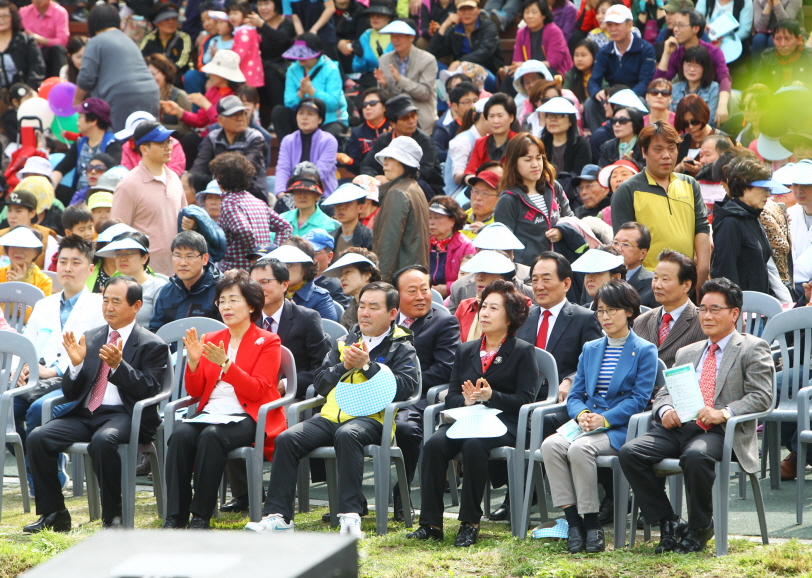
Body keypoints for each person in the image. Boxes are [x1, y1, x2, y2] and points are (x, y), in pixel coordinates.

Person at [245, 282, 419, 537]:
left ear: (393, 313)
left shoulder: (401, 346)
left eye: (374, 307)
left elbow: (407, 388)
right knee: (287, 438)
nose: (365, 313)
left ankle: (350, 517)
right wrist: (343, 367)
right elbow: (320, 383)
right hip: (330, 416)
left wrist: (369, 367)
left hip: (372, 419)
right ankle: (279, 517)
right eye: (362, 306)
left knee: (348, 434)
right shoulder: (344, 342)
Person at [619, 278, 774, 554]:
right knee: (631, 452)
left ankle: (700, 526)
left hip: (720, 431)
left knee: (695, 456)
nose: (707, 316)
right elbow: (666, 392)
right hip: (678, 428)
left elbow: (762, 396)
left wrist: (723, 412)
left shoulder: (752, 347)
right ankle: (668, 521)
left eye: (715, 309)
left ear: (734, 313)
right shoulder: (688, 352)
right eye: (702, 309)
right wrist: (665, 410)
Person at [23, 276, 170, 532]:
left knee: (104, 441)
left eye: (116, 301)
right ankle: (54, 513)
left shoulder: (151, 344)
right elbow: (70, 393)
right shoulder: (91, 337)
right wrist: (76, 365)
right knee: (38, 437)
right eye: (105, 301)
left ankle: (113, 518)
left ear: (136, 306)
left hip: (125, 414)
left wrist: (118, 367)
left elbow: (149, 389)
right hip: (87, 412)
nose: (109, 307)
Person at [407, 279, 537, 547]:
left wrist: (492, 397)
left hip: (504, 424)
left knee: (475, 445)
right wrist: (465, 401)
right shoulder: (466, 349)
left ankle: (469, 523)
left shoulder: (523, 351)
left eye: (494, 308)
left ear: (510, 317)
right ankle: (430, 524)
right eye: (484, 307)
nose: (485, 313)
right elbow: (452, 395)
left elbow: (526, 398)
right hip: (468, 419)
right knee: (433, 445)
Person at [162, 271, 284, 529]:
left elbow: (258, 390)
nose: (226, 307)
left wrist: (227, 365)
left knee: (211, 437)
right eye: (221, 301)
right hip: (212, 412)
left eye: (233, 300)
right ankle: (175, 515)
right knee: (181, 436)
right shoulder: (213, 339)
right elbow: (195, 391)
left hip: (249, 414)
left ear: (251, 305)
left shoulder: (268, 341)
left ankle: (201, 516)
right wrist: (193, 363)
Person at [542, 279, 657, 553]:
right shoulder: (591, 349)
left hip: (619, 427)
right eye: (600, 311)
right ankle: (573, 524)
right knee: (550, 445)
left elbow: (639, 400)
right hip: (586, 423)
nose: (605, 317)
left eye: (612, 310)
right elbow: (576, 394)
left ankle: (592, 524)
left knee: (580, 449)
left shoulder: (644, 350)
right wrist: (581, 413)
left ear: (629, 310)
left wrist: (604, 420)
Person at [220, 257, 331, 515]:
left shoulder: (306, 318)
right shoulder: (243, 319)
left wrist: (285, 383)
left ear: (284, 284)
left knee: (271, 418)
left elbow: (321, 368)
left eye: (265, 282)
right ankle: (245, 495)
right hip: (252, 392)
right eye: (253, 283)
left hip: (296, 397)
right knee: (228, 416)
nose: (258, 289)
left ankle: (280, 498)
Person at [13, 236, 104, 496]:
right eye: (63, 261)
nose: (68, 267)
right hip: (36, 380)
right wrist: (22, 369)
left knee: (38, 410)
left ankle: (45, 480)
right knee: (5, 409)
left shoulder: (99, 306)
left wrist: (54, 371)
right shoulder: (44, 305)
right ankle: (36, 468)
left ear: (89, 269)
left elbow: (92, 351)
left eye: (76, 262)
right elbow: (26, 345)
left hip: (76, 383)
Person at [390, 264, 459, 519]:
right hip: (378, 395)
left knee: (406, 428)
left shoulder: (444, 322)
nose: (421, 296)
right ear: (395, 296)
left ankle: (403, 492)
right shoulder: (385, 320)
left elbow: (445, 370)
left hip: (418, 397)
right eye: (412, 291)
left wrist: (398, 385)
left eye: (425, 289)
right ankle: (353, 497)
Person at [610, 121, 711, 289]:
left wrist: (702, 270)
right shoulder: (627, 190)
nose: (666, 155)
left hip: (687, 280)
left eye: (672, 149)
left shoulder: (690, 183)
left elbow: (701, 227)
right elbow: (623, 245)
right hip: (648, 283)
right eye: (658, 149)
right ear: (644, 152)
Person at [517, 251, 603, 405]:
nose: (539, 286)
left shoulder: (584, 318)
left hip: (559, 399)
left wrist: (571, 380)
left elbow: (595, 362)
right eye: (535, 280)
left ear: (566, 284)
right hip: (521, 396)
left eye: (546, 279)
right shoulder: (523, 316)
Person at [110, 122, 186, 277]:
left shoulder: (175, 179)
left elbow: (184, 223)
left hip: (175, 273)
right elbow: (116, 235)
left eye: (169, 141)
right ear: (144, 149)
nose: (168, 147)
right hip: (142, 277)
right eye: (161, 143)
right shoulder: (128, 185)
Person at [75, 3, 160, 131]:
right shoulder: (128, 39)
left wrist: (76, 101)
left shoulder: (95, 42)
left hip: (121, 95)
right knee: (147, 140)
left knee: (118, 142)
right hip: (150, 93)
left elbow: (86, 78)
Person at [494, 132, 573, 267]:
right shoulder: (508, 200)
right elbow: (503, 246)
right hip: (527, 271)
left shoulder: (554, 187)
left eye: (539, 158)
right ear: (514, 163)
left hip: (560, 266)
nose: (535, 164)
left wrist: (561, 230)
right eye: (528, 159)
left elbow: (571, 219)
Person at [710, 157, 780, 294]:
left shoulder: (752, 216)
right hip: (741, 309)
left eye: (769, 189)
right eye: (763, 188)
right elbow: (725, 273)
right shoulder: (730, 223)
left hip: (758, 306)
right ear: (744, 188)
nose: (768, 194)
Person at [212, 152, 292, 271]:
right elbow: (285, 227)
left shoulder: (229, 203)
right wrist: (270, 256)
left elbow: (244, 230)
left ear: (219, 179)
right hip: (261, 271)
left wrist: (254, 255)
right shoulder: (257, 201)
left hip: (237, 272)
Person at [585, 5, 655, 131]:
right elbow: (594, 80)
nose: (613, 29)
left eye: (617, 24)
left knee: (642, 103)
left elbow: (645, 82)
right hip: (611, 95)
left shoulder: (646, 49)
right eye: (609, 25)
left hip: (635, 95)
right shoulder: (604, 51)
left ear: (630, 25)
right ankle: (598, 137)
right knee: (591, 103)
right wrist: (597, 92)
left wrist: (625, 97)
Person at [370, 135, 431, 281]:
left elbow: (388, 244)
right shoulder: (415, 189)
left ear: (405, 163)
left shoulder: (397, 193)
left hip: (399, 280)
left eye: (392, 158)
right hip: (414, 277)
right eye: (385, 158)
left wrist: (380, 283)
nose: (385, 163)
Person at [654, 9, 730, 125]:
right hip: (684, 96)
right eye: (674, 25)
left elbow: (724, 78)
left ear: (696, 28)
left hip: (709, 98)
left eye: (680, 25)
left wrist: (722, 105)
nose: (675, 30)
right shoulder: (677, 52)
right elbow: (659, 84)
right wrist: (666, 53)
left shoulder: (713, 52)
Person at [360, 94, 444, 198]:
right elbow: (367, 165)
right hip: (390, 185)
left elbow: (424, 172)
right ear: (392, 122)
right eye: (405, 118)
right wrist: (374, 179)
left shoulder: (425, 141)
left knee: (416, 185)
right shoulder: (384, 139)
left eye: (413, 116)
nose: (411, 121)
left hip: (426, 190)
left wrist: (391, 179)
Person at [633, 249, 705, 369]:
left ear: (686, 285)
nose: (657, 285)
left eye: (665, 279)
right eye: (655, 278)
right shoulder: (641, 322)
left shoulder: (702, 323)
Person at [190, 95, 269, 202]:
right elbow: (198, 169)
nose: (240, 118)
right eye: (234, 115)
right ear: (220, 121)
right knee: (190, 179)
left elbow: (245, 174)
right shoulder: (213, 137)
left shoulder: (255, 137)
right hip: (217, 190)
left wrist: (215, 178)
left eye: (242, 113)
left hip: (251, 193)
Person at [274, 34, 348, 142]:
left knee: (325, 138)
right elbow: (289, 102)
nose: (300, 57)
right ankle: (288, 149)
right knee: (279, 112)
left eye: (304, 53)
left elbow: (333, 104)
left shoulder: (331, 68)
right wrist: (301, 93)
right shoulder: (292, 69)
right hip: (303, 118)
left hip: (329, 119)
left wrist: (312, 92)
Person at [449, 222, 535, 313]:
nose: (500, 256)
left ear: (512, 252)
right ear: (478, 251)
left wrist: (510, 278)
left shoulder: (530, 275)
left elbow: (537, 306)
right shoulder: (460, 287)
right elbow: (453, 324)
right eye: (492, 252)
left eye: (505, 250)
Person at [149, 231, 222, 332]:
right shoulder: (167, 291)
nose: (183, 263)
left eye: (190, 256)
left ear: (205, 259)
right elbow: (156, 330)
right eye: (178, 256)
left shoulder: (221, 289)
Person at [376, 19, 438, 134]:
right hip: (394, 119)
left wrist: (400, 79)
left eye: (399, 36)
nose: (395, 40)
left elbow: (425, 93)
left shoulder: (428, 60)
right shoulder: (384, 60)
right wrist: (384, 86)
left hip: (421, 118)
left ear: (411, 38)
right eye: (392, 36)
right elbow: (385, 98)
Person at [95, 233, 168, 327]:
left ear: (144, 258)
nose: (123, 258)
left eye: (129, 253)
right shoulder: (112, 286)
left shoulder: (159, 287)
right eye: (119, 254)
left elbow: (161, 324)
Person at [274, 97, 338, 200]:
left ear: (320, 119)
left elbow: (320, 173)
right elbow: (283, 169)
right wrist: (281, 193)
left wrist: (302, 192)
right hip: (292, 196)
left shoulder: (329, 141)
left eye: (310, 114)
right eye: (301, 113)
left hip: (323, 197)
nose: (304, 117)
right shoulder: (288, 140)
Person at [454, 250, 525, 341]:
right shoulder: (465, 306)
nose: (480, 278)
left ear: (503, 277)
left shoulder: (519, 305)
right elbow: (452, 340)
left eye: (487, 272)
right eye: (477, 272)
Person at [427, 0, 504, 78]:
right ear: (456, 12)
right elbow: (431, 55)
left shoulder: (488, 26)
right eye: (462, 9)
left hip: (487, 73)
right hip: (460, 74)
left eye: (470, 8)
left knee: (470, 69)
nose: (466, 13)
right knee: (430, 64)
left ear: (478, 10)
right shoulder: (454, 30)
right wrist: (444, 26)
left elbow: (485, 52)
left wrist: (459, 62)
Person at [269, 241, 339, 321]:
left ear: (306, 266)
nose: (282, 268)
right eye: (279, 263)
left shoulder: (320, 299)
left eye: (288, 263)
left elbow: (327, 331)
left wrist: (296, 316)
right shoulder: (270, 294)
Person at [428, 196, 476, 299]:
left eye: (437, 217)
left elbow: (470, 280)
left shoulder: (465, 246)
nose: (431, 222)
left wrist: (448, 288)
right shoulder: (424, 243)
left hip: (454, 299)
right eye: (429, 217)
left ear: (452, 220)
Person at [464, 94, 517, 182]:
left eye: (500, 116)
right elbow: (469, 172)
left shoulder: (520, 143)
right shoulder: (480, 143)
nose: (495, 121)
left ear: (511, 117)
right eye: (491, 116)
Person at [510, 0, 572, 77]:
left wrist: (528, 66)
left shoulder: (554, 31)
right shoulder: (521, 33)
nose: (530, 16)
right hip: (528, 71)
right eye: (527, 12)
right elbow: (517, 61)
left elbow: (553, 63)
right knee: (510, 77)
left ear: (543, 15)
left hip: (554, 71)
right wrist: (524, 67)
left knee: (540, 76)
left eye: (534, 12)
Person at [0, 189, 58, 271]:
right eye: (9, 210)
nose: (12, 216)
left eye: (18, 211)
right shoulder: (1, 236)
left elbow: (51, 272)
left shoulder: (47, 238)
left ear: (32, 213)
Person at [323, 249, 381, 329]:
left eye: (348, 271)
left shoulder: (386, 305)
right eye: (341, 274)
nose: (342, 278)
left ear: (367, 275)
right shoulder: (346, 315)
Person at [539, 97, 592, 179]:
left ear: (570, 121)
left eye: (559, 115)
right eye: (549, 115)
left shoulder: (581, 145)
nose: (553, 119)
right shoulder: (541, 143)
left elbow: (578, 176)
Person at [754, 18, 812, 90]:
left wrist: (804, 86)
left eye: (787, 39)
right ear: (773, 39)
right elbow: (757, 84)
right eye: (778, 39)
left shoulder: (809, 57)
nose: (782, 44)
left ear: (799, 39)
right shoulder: (768, 57)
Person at [139, 2, 193, 79]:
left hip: (177, 77)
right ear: (157, 22)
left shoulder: (184, 38)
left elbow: (182, 63)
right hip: (153, 76)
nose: (171, 22)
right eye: (166, 19)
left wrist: (166, 72)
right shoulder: (148, 39)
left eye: (174, 18)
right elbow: (142, 60)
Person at [344, 88, 392, 174]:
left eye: (372, 103)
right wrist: (350, 162)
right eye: (364, 104)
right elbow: (358, 167)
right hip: (368, 177)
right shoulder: (357, 133)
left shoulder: (394, 127)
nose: (367, 107)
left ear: (384, 107)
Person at [0, 0, 45, 89]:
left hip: (22, 93)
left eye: (5, 16)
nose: (1, 19)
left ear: (13, 17)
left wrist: (26, 92)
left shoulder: (26, 41)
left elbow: (36, 70)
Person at [322, 183, 374, 258]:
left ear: (360, 208)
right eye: (338, 202)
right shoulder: (329, 237)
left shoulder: (369, 237)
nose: (341, 207)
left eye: (348, 203)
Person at [19, 0, 68, 79]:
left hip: (50, 53)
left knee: (58, 49)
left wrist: (39, 39)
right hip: (31, 50)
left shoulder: (60, 12)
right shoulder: (23, 12)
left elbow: (62, 41)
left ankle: (58, 82)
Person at [613, 222, 656, 307]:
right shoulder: (597, 277)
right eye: (615, 243)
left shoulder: (653, 284)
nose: (618, 249)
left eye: (625, 244)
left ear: (643, 253)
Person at [304, 228, 350, 307]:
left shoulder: (337, 287)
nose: (309, 257)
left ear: (329, 256)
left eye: (315, 253)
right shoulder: (294, 281)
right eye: (305, 252)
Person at [0, 226, 52, 296]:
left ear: (35, 253)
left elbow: (39, 306)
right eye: (14, 246)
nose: (18, 251)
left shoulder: (44, 281)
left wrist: (20, 286)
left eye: (25, 247)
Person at [462, 169, 501, 237]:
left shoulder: (501, 225)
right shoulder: (460, 218)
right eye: (475, 192)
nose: (478, 198)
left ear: (499, 198)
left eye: (485, 193)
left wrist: (489, 233)